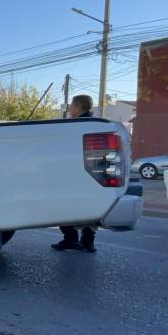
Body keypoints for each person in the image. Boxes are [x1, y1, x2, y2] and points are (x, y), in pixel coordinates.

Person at [51, 94, 97, 252]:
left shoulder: (75, 125)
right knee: (89, 207)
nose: (70, 108)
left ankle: (70, 239)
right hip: (91, 172)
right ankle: (88, 242)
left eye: (71, 105)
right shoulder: (95, 123)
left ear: (78, 107)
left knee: (63, 206)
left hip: (72, 172)